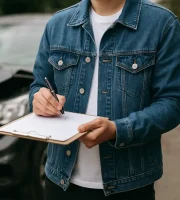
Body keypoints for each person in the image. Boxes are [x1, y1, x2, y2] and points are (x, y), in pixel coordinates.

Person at [29, 0, 180, 199]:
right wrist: (39, 100)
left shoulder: (163, 24)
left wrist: (119, 130)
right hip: (59, 182)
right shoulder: (57, 24)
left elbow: (172, 102)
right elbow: (38, 86)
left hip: (130, 186)